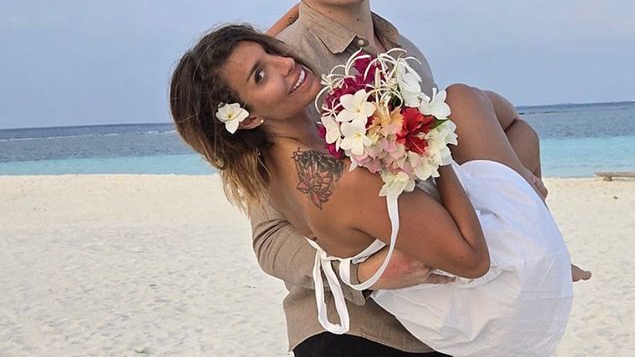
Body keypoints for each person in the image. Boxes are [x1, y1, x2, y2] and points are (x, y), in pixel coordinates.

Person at [252, 0, 588, 355]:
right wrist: (362, 273)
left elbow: (452, 165)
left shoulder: (404, 52)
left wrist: (524, 206)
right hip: (351, 330)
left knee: (501, 121)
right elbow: (270, 238)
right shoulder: (288, 71)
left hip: (449, 323)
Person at [169, 24, 575, 356]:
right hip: (499, 300)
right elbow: (473, 262)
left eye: (273, 51)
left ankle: (531, 209)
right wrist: (435, 145)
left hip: (445, 314)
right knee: (464, 100)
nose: (286, 63)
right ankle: (538, 225)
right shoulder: (344, 180)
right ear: (247, 118)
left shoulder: (268, 170)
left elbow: (249, 73)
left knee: (515, 130)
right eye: (261, 75)